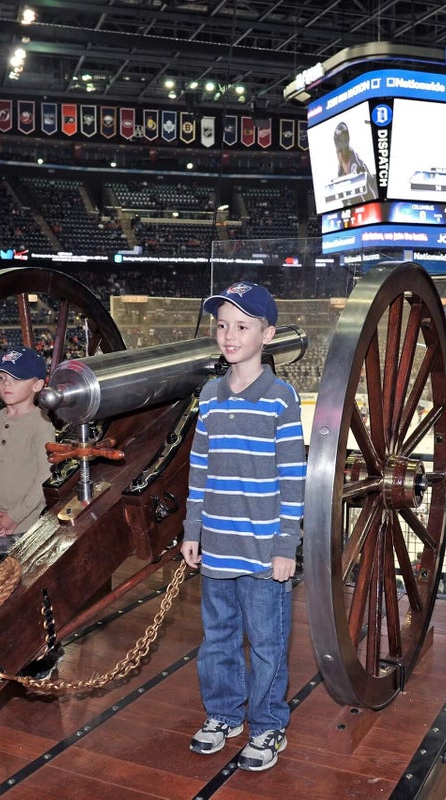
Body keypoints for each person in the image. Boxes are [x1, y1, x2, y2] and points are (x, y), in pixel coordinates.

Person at [182, 280, 306, 773]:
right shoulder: (210, 396)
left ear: (267, 334)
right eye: (222, 326)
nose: (229, 335)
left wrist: (285, 547)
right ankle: (223, 715)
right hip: (217, 545)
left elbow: (292, 479)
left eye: (242, 326)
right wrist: (193, 531)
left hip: (261, 553)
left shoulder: (281, 398)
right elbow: (199, 471)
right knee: (218, 640)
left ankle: (268, 724)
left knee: (268, 643)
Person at [0, 346, 54, 558]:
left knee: (24, 583)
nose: (6, 383)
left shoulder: (41, 426)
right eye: (0, 377)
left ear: (37, 384)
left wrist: (14, 516)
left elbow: (44, 477)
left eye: (16, 378)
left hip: (27, 525)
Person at [332, 121, 378, 202]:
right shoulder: (341, 171)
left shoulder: (358, 167)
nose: (338, 156)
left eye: (340, 152)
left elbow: (371, 195)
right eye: (337, 152)